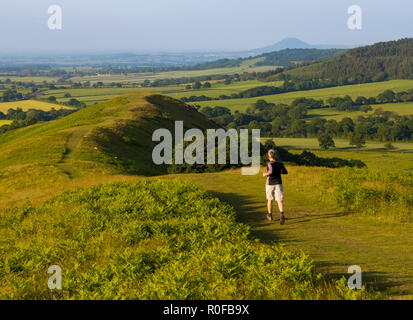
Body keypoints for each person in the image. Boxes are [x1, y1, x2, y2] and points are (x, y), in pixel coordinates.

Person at [262, 149, 288, 224]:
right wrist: (279, 172)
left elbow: (270, 172)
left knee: (270, 199)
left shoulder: (269, 163)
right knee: (279, 200)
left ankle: (270, 215)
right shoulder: (280, 163)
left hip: (270, 183)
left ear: (269, 156)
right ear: (275, 155)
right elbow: (285, 172)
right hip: (279, 183)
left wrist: (265, 174)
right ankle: (282, 214)